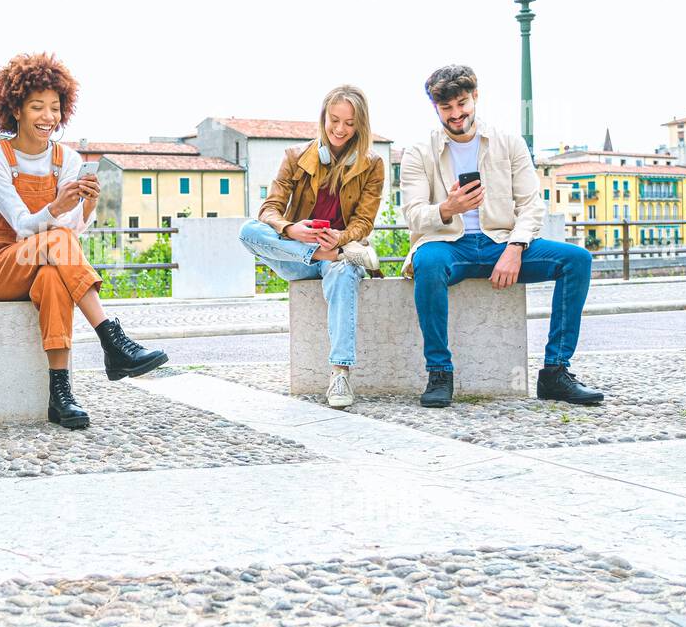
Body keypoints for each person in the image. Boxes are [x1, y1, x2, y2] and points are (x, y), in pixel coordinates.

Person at [0, 53, 168, 428]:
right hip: (0, 266)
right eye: (37, 107)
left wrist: (88, 204)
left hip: (46, 258)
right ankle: (111, 339)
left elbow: (71, 234)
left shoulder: (69, 159)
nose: (48, 116)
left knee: (53, 278)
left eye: (55, 108)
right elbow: (21, 224)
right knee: (55, 242)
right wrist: (57, 205)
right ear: (15, 108)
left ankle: (60, 394)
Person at [402, 64, 603, 407]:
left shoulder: (508, 143)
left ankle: (555, 372)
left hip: (501, 243)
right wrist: (447, 208)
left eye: (462, 104)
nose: (455, 114)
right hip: (449, 245)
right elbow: (413, 215)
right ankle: (439, 371)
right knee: (427, 262)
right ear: (435, 107)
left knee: (577, 260)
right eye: (446, 107)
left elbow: (531, 205)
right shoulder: (418, 152)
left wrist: (515, 246)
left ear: (475, 97)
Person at [238, 85, 384, 407]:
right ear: (323, 118)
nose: (340, 129)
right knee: (247, 230)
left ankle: (340, 374)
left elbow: (364, 222)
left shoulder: (372, 164)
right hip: (300, 254)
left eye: (349, 123)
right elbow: (269, 210)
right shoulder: (295, 157)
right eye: (334, 120)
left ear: (360, 125)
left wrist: (341, 238)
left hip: (340, 252)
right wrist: (291, 229)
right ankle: (319, 253)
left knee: (343, 271)